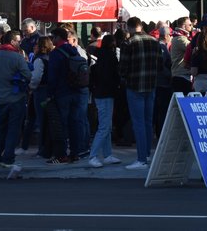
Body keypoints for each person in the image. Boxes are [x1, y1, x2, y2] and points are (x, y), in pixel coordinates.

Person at [119, 16, 163, 170]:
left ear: (129, 27)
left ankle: (141, 158)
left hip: (135, 85)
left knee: (138, 123)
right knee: (147, 121)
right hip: (151, 85)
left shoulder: (128, 43)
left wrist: (125, 77)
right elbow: (161, 63)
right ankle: (147, 155)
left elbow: (122, 67)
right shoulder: (154, 41)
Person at [0, 30, 31, 174]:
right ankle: (8, 158)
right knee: (13, 129)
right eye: (18, 41)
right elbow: (28, 75)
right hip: (16, 97)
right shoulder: (17, 58)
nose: (20, 43)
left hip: (0, 98)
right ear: (12, 42)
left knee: (0, 128)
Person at [48, 27, 88, 164]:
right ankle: (75, 153)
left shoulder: (55, 53)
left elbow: (52, 75)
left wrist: (50, 93)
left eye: (52, 37)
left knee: (61, 125)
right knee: (75, 123)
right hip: (76, 91)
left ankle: (61, 155)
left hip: (62, 92)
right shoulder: (74, 50)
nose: (51, 40)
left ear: (58, 37)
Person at [89, 32, 121, 168]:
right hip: (107, 93)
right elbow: (114, 76)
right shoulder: (111, 57)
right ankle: (93, 155)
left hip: (99, 92)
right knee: (104, 127)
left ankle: (107, 155)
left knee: (105, 126)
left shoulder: (99, 56)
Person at [169, 16, 195, 94]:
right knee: (184, 101)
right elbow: (193, 49)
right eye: (190, 25)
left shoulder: (178, 37)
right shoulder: (180, 39)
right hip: (181, 75)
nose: (192, 26)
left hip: (181, 74)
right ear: (183, 26)